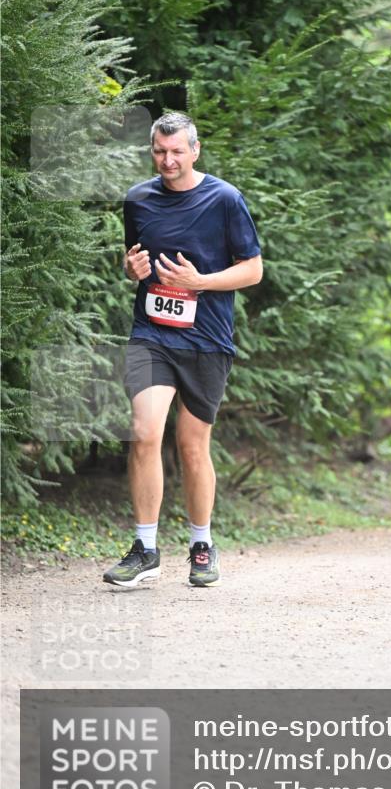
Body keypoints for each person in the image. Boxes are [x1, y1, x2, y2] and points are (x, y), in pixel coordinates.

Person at [103, 112, 262, 588]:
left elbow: (252, 269)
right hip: (152, 335)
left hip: (206, 339)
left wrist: (200, 281)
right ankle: (145, 548)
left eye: (176, 151)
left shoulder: (225, 199)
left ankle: (201, 544)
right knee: (144, 432)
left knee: (192, 446)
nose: (168, 160)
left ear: (195, 151)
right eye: (160, 151)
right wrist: (131, 270)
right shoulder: (137, 199)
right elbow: (136, 262)